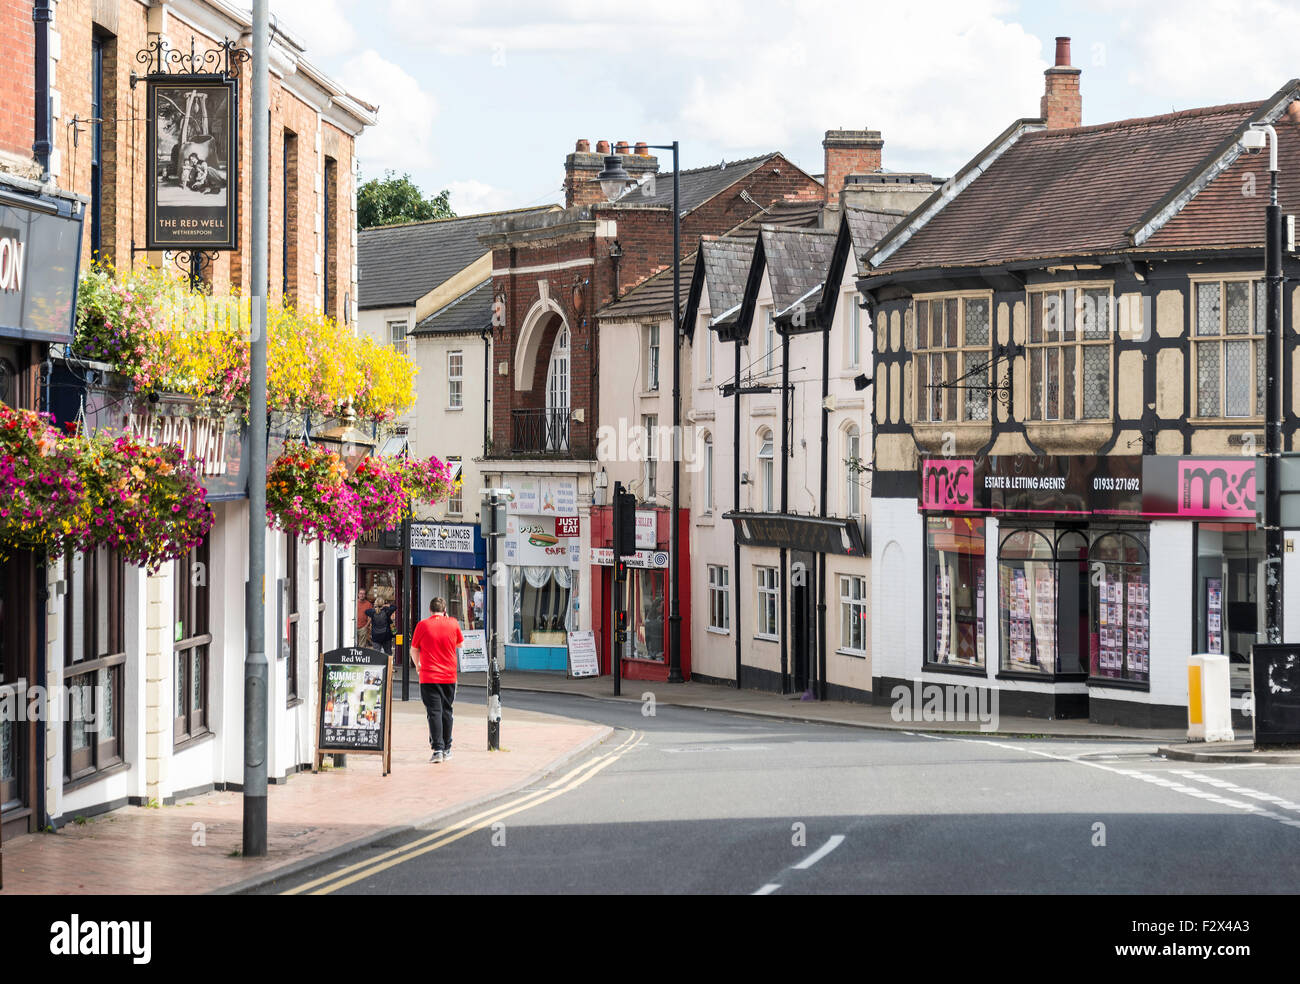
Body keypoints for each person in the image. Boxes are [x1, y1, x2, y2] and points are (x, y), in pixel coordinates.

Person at [410, 596, 463, 764]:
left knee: (434, 712)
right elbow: (460, 644)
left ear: (430, 610)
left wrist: (418, 665)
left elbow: (413, 649)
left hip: (429, 676)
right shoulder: (453, 623)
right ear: (445, 610)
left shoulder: (423, 625)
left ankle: (438, 749)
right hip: (449, 675)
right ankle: (447, 748)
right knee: (447, 710)